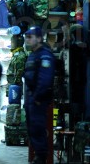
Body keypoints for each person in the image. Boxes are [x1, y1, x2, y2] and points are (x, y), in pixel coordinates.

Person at [23, 26, 55, 164]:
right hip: (31, 98)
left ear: (39, 39)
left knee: (38, 129)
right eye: (26, 37)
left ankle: (41, 158)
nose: (27, 40)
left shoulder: (45, 55)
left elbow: (45, 80)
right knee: (32, 130)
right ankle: (37, 157)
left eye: (30, 37)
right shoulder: (32, 55)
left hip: (38, 100)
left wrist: (37, 98)